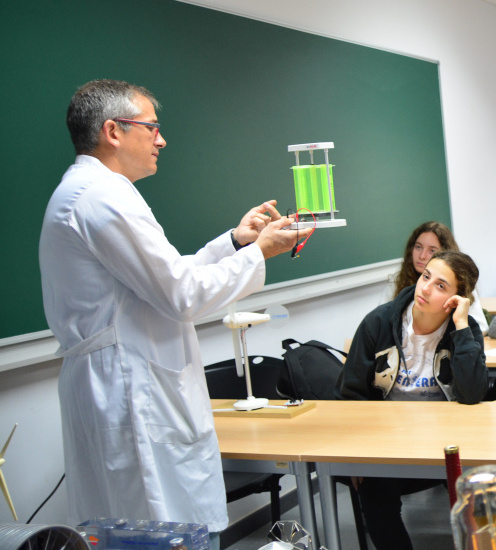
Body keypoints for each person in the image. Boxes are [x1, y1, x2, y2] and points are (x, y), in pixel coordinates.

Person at [39, 79, 311, 537]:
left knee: (144, 527)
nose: (161, 139)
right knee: (156, 528)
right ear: (113, 131)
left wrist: (235, 242)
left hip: (125, 386)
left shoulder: (92, 191)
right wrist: (260, 252)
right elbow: (181, 295)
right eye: (151, 127)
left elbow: (161, 280)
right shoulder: (103, 197)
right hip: (129, 395)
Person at [340, 250, 488, 550]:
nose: (426, 288)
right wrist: (355, 454)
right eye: (426, 277)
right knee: (375, 497)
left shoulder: (465, 330)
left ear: (456, 299)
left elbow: (473, 394)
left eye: (441, 286)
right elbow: (350, 394)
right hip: (388, 441)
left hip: (447, 441)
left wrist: (460, 327)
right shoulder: (379, 323)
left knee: (476, 497)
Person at [391, 221, 489, 332]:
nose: (422, 256)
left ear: (445, 254)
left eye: (432, 250)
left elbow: (481, 327)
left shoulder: (460, 286)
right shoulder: (397, 282)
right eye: (418, 247)